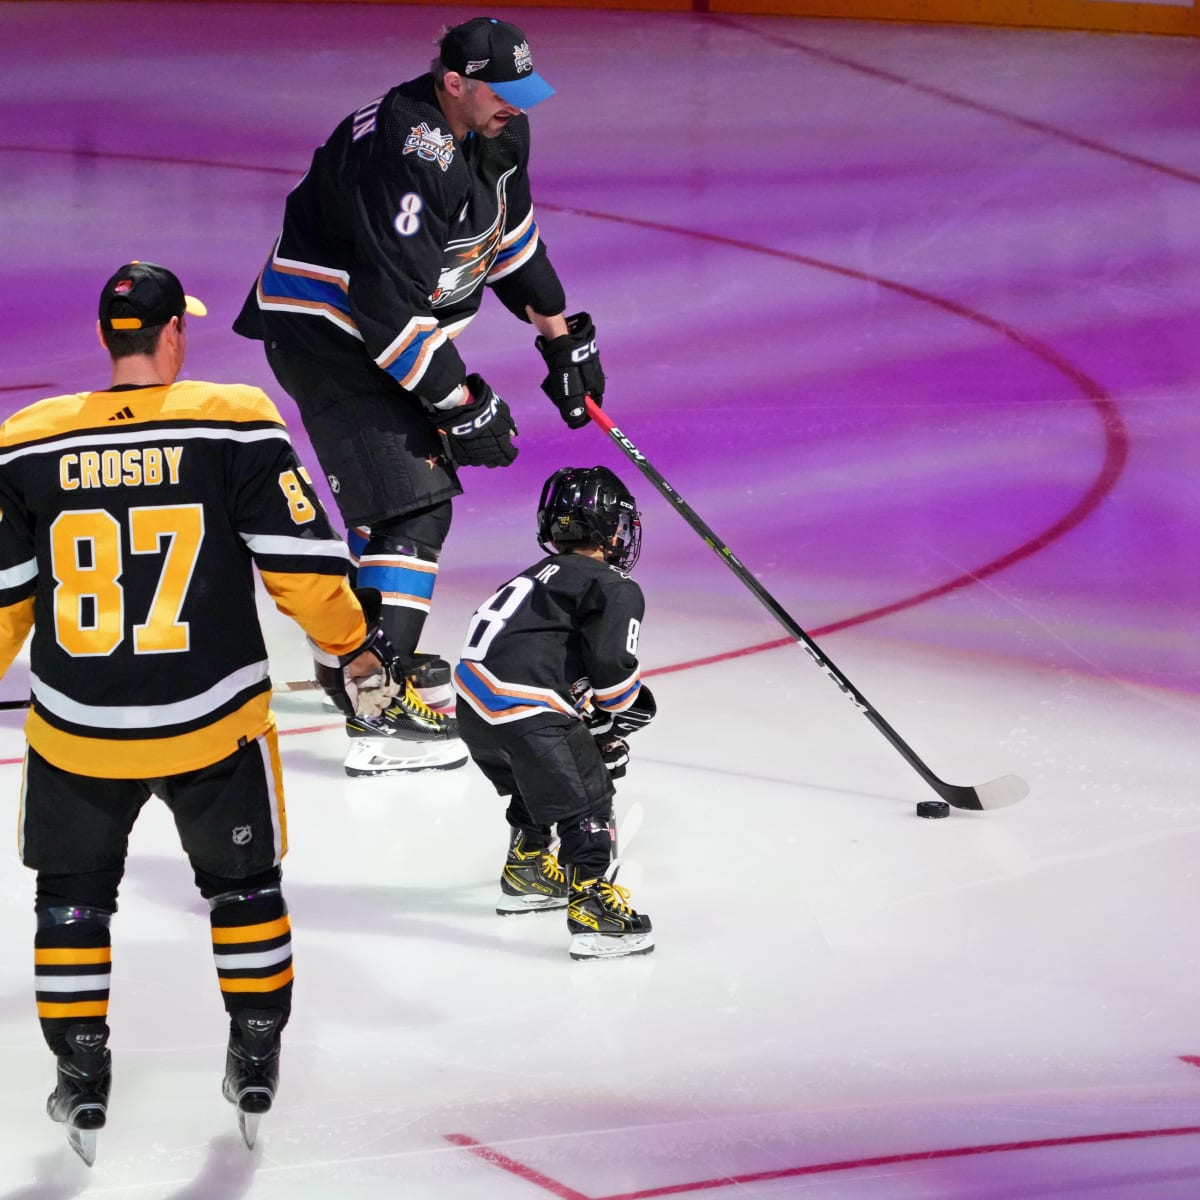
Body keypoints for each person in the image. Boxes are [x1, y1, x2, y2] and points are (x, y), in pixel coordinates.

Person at [0, 262, 399, 1164]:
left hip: (77, 729)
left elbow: (4, 601)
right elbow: (301, 570)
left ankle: (79, 1070)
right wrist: (355, 649)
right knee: (245, 890)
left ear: (110, 337)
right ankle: (255, 1049)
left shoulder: (25, 441)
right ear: (173, 334)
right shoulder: (233, 418)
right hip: (213, 723)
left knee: (69, 903)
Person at [233, 16, 606, 778]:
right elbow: (386, 308)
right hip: (329, 338)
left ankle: (354, 651)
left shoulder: (501, 132)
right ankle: (379, 712)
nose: (519, 106)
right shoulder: (407, 150)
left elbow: (508, 241)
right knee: (412, 504)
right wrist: (461, 401)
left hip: (385, 334)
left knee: (394, 499)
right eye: (504, 92)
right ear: (453, 83)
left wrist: (560, 338)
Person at [452, 466, 656, 960]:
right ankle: (592, 907)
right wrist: (622, 719)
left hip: (475, 708)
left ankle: (527, 869)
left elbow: (540, 654)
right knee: (588, 793)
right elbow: (611, 668)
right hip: (526, 707)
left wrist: (592, 723)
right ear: (611, 527)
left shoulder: (536, 577)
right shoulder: (613, 585)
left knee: (539, 777)